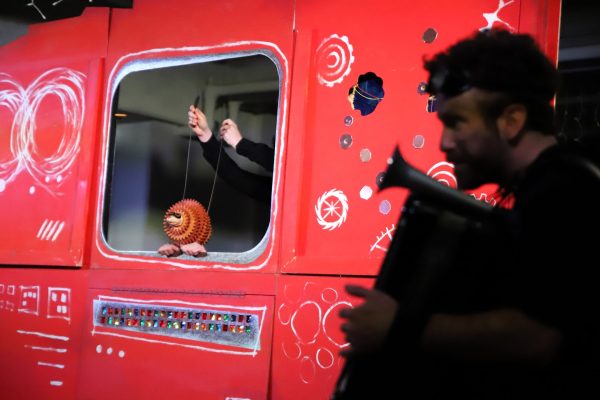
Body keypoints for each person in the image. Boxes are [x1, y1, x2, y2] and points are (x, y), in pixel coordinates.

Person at [337, 29, 600, 399]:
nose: (444, 141)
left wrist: (398, 327)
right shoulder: (547, 185)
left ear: (511, 121)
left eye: (456, 122)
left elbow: (538, 336)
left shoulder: (562, 191)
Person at [158, 105, 274, 257]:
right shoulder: (279, 191)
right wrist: (205, 135)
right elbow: (234, 176)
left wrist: (241, 144)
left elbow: (288, 164)